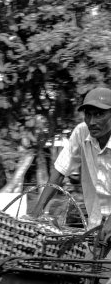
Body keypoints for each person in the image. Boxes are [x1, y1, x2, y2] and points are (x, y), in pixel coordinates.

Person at [30, 86, 111, 239]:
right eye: (88, 115)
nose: (92, 122)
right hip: (96, 224)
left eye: (100, 114)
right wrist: (38, 210)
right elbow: (60, 171)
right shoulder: (82, 133)